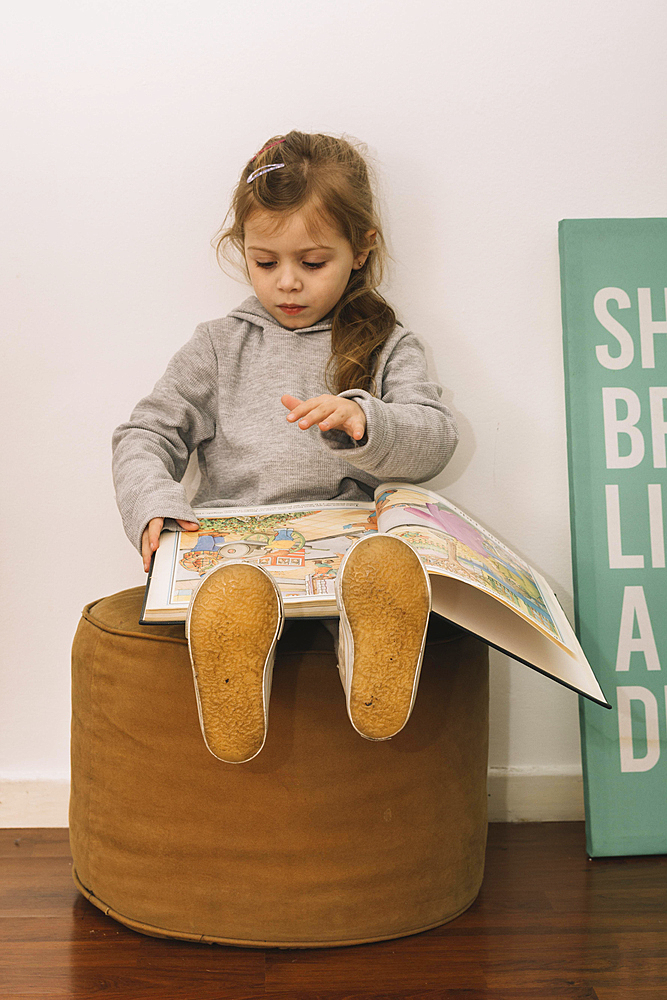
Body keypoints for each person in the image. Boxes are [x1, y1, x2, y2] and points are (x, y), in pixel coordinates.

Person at [112, 131, 458, 764]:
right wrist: (153, 505)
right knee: (237, 598)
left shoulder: (387, 344)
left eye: (313, 262)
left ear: (362, 250)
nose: (288, 284)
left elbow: (434, 441)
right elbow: (146, 433)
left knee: (375, 578)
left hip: (348, 552)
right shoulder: (219, 345)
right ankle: (236, 680)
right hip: (238, 552)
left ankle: (367, 668)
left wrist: (365, 420)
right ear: (242, 251)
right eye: (265, 263)